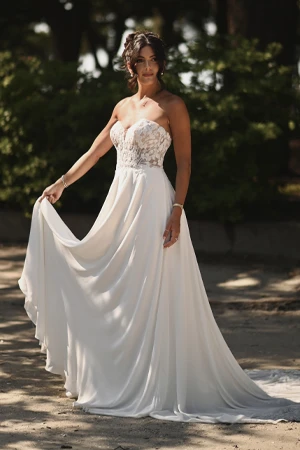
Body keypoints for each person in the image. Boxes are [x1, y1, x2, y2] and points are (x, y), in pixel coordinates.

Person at [19, 31, 300, 423]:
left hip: (154, 201)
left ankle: (153, 379)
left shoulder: (173, 105)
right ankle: (116, 372)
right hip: (120, 201)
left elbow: (184, 163)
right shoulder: (121, 106)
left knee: (149, 285)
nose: (148, 67)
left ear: (161, 63)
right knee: (115, 282)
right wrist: (61, 183)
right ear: (130, 65)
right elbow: (96, 150)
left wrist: (177, 209)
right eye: (141, 61)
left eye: (154, 60)